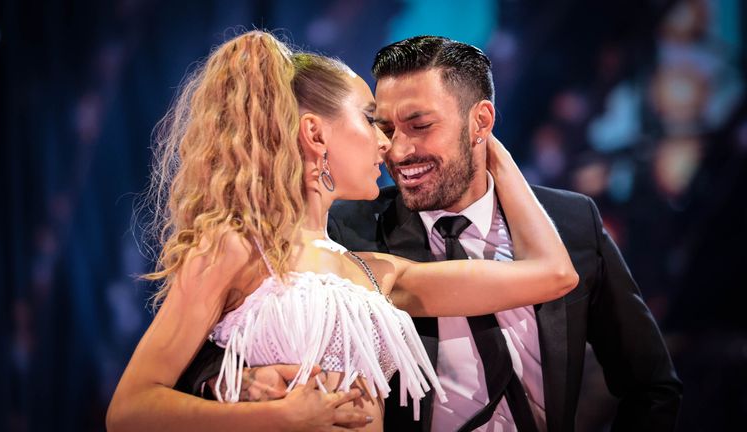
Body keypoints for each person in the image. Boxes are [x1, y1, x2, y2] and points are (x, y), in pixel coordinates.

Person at [181, 35, 683, 431]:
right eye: (383, 126)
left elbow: (650, 384)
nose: (397, 151)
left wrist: (499, 163)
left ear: (479, 120)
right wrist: (236, 385)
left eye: (419, 126)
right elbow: (219, 339)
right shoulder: (345, 233)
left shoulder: (572, 224)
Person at [106, 31, 578, 432]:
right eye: (371, 119)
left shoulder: (377, 274)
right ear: (315, 135)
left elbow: (554, 273)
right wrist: (278, 418)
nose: (386, 142)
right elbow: (130, 409)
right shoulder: (234, 248)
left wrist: (485, 143)